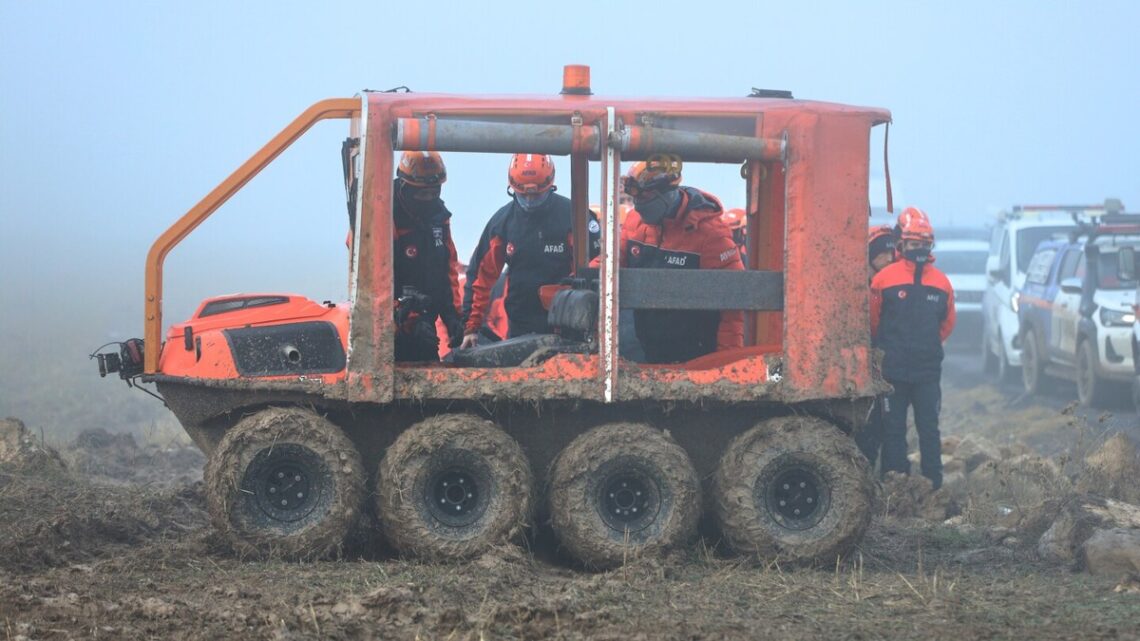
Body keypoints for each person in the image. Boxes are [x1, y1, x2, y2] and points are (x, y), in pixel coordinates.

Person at [461, 153, 598, 348]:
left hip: (570, 324)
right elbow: (481, 276)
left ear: (549, 185)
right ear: (513, 188)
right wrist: (471, 327)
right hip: (520, 325)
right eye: (523, 195)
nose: (529, 200)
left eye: (536, 195)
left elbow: (600, 264)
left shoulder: (574, 217)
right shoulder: (502, 223)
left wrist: (572, 291)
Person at [620, 154, 745, 363]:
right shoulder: (635, 222)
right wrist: (581, 282)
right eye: (635, 200)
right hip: (645, 349)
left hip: (694, 357)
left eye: (645, 200)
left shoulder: (711, 236)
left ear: (667, 195)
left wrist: (727, 364)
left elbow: (733, 305)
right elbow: (612, 261)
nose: (638, 206)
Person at [870, 207, 956, 488]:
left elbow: (946, 324)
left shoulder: (942, 283)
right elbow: (873, 321)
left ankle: (933, 486)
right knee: (893, 430)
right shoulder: (883, 279)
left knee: (929, 429)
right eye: (913, 244)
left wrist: (925, 346)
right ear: (902, 244)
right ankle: (895, 485)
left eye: (923, 244)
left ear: (930, 245)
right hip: (892, 372)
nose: (918, 248)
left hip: (927, 372)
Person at [391, 151, 465, 361]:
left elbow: (447, 269)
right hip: (389, 327)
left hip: (426, 323)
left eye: (433, 193)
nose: (428, 199)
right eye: (422, 194)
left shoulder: (439, 218)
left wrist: (453, 317)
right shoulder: (383, 214)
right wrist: (405, 316)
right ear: (405, 187)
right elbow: (371, 278)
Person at [856, 223, 899, 465]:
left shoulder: (891, 286)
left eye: (891, 252)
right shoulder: (856, 286)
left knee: (885, 425)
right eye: (881, 253)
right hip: (859, 364)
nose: (888, 258)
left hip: (886, 364)